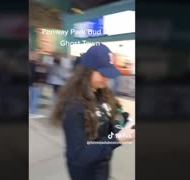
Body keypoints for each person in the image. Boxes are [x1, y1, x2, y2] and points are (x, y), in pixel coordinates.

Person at [50, 44, 135, 180]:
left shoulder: (103, 93)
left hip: (102, 165)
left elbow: (114, 115)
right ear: (87, 71)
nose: (107, 78)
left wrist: (127, 121)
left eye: (109, 73)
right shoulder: (73, 106)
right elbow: (79, 154)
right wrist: (116, 139)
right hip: (84, 172)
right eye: (102, 74)